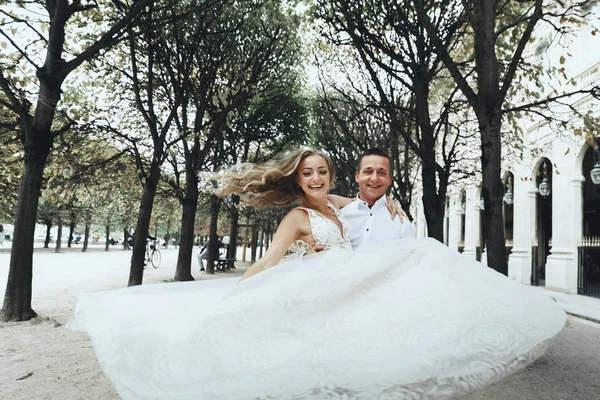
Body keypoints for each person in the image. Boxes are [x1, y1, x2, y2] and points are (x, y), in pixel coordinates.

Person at [69, 148, 565, 400]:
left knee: (422, 255)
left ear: (330, 175)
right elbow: (268, 261)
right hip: (315, 286)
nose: (316, 179)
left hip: (347, 288)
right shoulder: (298, 217)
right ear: (296, 178)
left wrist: (385, 200)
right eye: (307, 174)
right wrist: (237, 293)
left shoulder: (337, 205)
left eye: (321, 172)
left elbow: (366, 206)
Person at [341, 147, 416, 249]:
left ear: (389, 180)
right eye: (368, 172)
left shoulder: (402, 224)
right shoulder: (340, 217)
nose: (374, 178)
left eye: (381, 173)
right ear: (357, 176)